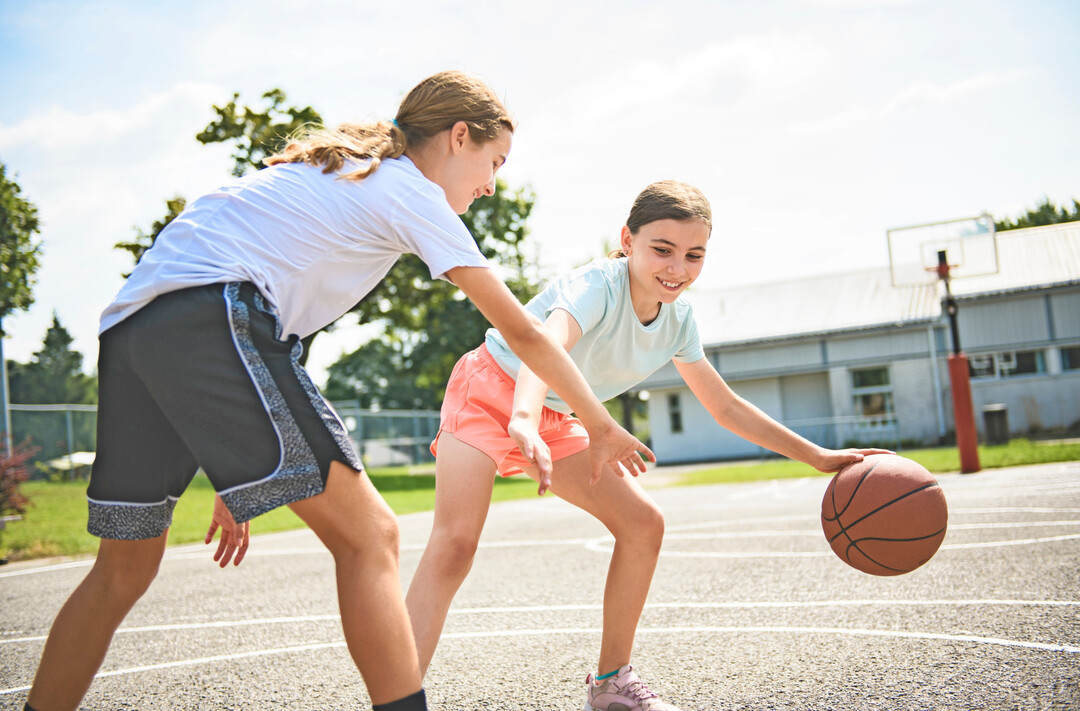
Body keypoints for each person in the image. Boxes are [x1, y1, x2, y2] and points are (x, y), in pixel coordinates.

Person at [23, 70, 651, 711]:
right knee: (371, 536)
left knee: (122, 571)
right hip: (213, 314)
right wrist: (600, 424)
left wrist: (230, 454)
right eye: (493, 162)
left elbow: (263, 328)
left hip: (134, 328)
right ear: (459, 137)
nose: (491, 184)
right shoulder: (410, 191)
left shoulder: (346, 169)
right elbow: (521, 328)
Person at [406, 180, 891, 711]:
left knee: (643, 524)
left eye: (694, 255)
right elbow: (543, 345)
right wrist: (529, 417)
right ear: (627, 240)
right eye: (662, 250)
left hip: (559, 412)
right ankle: (398, 697)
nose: (676, 268)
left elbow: (725, 407)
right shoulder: (597, 285)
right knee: (455, 545)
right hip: (491, 388)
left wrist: (817, 457)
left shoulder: (679, 321)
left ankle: (611, 683)